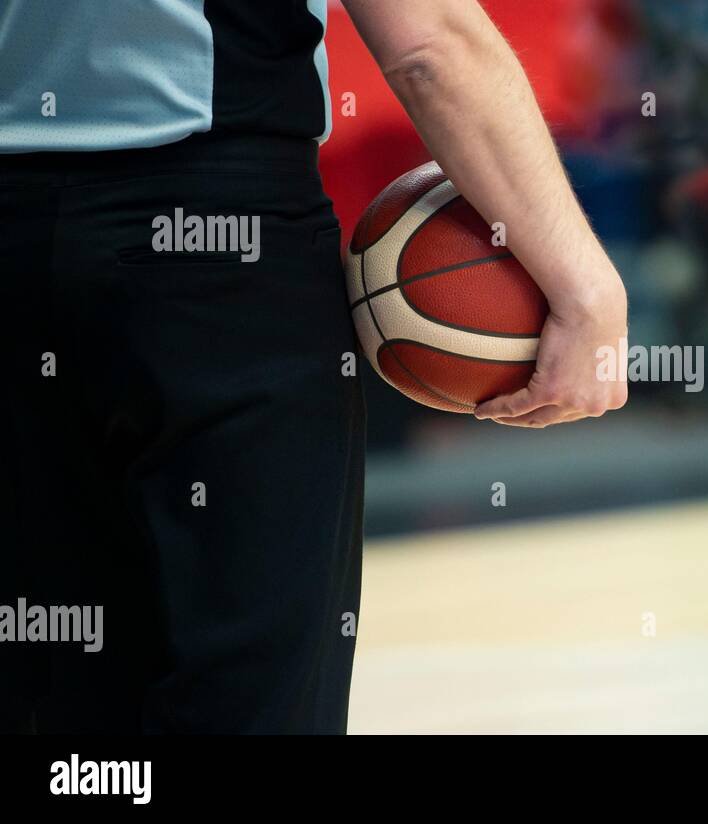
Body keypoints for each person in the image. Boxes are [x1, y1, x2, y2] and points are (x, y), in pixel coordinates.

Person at [0, 0, 627, 734]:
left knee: (61, 705)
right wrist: (586, 290)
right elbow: (430, 43)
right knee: (250, 694)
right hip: (215, 242)